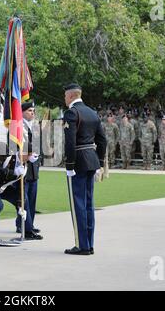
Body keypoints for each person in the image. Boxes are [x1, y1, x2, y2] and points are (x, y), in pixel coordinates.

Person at [62, 83, 107, 255]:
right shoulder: (92, 112)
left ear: (72, 96)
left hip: (79, 162)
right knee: (89, 203)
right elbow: (102, 140)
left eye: (66, 96)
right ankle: (89, 243)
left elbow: (70, 141)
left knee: (78, 204)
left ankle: (82, 245)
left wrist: (69, 165)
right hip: (92, 160)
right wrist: (100, 162)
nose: (65, 99)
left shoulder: (72, 113)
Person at [0, 148, 43, 240]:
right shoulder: (9, 157)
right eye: (29, 155)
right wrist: (13, 173)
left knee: (23, 199)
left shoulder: (24, 165)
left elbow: (21, 185)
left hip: (6, 189)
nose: (29, 158)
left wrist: (20, 203)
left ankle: (28, 231)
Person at [21, 102, 41, 233]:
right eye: (29, 110)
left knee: (32, 199)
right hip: (24, 167)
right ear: (22, 112)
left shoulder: (34, 127)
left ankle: (30, 224)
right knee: (24, 200)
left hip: (34, 168)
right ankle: (24, 226)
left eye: (33, 111)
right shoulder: (18, 126)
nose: (32, 113)